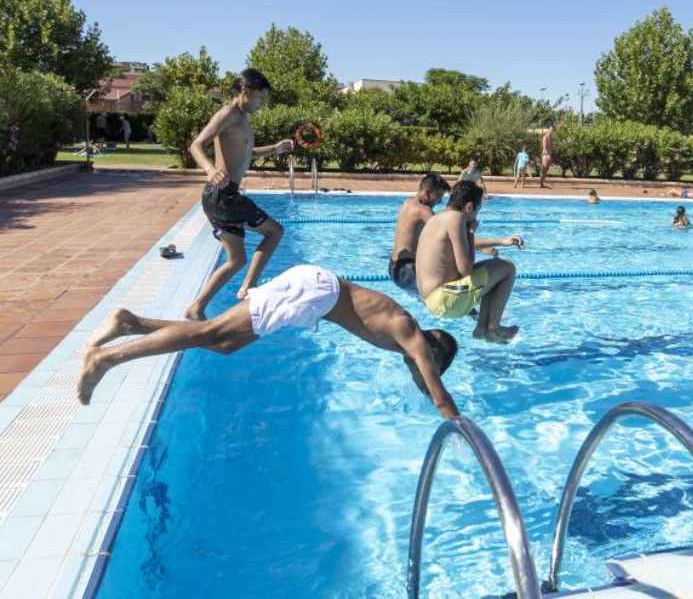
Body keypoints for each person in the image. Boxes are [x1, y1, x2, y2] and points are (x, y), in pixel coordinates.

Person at [75, 265, 462, 419]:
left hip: (316, 294)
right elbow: (439, 395)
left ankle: (132, 323)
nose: (421, 371)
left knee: (225, 344)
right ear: (433, 350)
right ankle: (108, 358)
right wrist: (459, 426)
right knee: (210, 333)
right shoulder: (412, 335)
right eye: (429, 364)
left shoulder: (406, 335)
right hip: (315, 294)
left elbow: (429, 387)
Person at [185, 68, 293, 321]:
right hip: (223, 195)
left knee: (236, 260)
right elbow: (196, 145)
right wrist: (209, 168)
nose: (261, 103)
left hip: (223, 196)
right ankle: (248, 290)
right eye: (260, 98)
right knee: (274, 232)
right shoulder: (228, 114)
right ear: (246, 91)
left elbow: (247, 153)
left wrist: (275, 149)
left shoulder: (241, 119)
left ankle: (196, 308)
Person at [416, 181, 520, 342]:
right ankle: (493, 328)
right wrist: (471, 232)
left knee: (494, 269)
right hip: (445, 299)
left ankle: (481, 328)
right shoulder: (456, 219)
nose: (476, 217)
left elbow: (460, 248)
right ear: (469, 207)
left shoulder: (437, 219)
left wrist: (501, 241)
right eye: (477, 211)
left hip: (432, 300)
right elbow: (465, 269)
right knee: (508, 268)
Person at [390, 173, 451, 291]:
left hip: (394, 266)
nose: (439, 202)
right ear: (427, 193)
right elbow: (448, 234)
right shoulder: (424, 211)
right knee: (444, 297)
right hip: (407, 271)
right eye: (438, 196)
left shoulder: (407, 203)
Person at [539, 122, 556, 188]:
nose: (552, 131)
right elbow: (544, 147)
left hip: (549, 154)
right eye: (551, 129)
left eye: (553, 130)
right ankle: (541, 184)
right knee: (544, 169)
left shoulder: (551, 137)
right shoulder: (545, 137)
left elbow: (552, 147)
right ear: (549, 129)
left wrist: (551, 155)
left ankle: (542, 183)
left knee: (546, 170)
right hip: (545, 155)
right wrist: (548, 156)